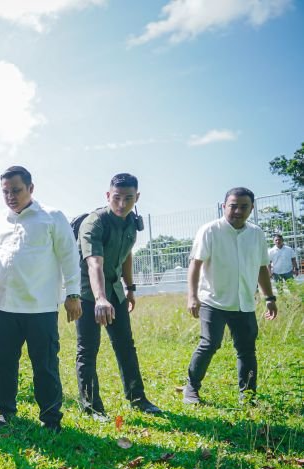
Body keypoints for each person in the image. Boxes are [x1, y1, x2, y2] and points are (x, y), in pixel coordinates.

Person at [0, 166, 81, 433]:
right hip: (2, 306)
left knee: (45, 365)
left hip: (40, 307)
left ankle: (50, 417)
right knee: (3, 363)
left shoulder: (52, 217)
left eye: (16, 190)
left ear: (31, 189)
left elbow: (69, 257)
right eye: (5, 191)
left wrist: (73, 294)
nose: (10, 196)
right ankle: (5, 411)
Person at [75, 173, 162, 422]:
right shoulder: (95, 223)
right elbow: (94, 263)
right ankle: (91, 407)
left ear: (137, 197)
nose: (122, 204)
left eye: (129, 198)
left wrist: (130, 287)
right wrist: (100, 298)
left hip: (115, 291)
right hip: (89, 293)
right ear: (107, 195)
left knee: (125, 345)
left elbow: (126, 255)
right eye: (117, 198)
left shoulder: (131, 222)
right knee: (88, 349)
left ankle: (138, 398)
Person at [183, 187, 277, 405]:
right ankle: (191, 389)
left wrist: (270, 298)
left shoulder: (256, 234)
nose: (238, 211)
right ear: (224, 206)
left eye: (244, 206)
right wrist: (192, 296)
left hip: (244, 303)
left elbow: (263, 267)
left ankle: (248, 396)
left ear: (251, 208)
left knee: (246, 349)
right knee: (209, 343)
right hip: (213, 301)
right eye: (233, 206)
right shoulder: (210, 231)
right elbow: (195, 265)